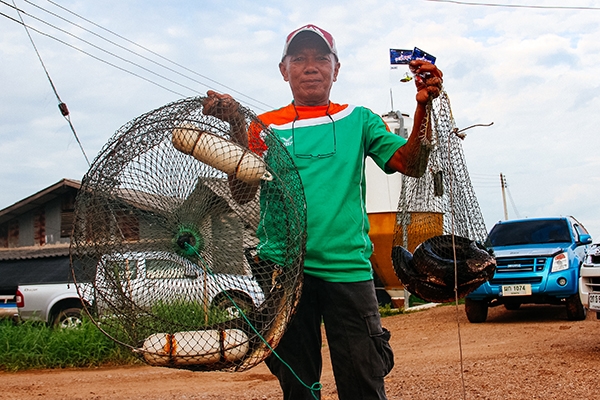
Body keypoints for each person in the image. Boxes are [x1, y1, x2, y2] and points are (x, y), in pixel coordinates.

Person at [203, 24, 443, 400]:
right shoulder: (262, 126)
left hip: (346, 268)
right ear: (284, 70)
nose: (310, 66)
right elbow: (242, 189)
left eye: (321, 58)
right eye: (299, 58)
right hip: (284, 271)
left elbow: (410, 163)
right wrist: (235, 125)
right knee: (298, 386)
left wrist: (423, 106)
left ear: (337, 68)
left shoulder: (359, 119)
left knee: (364, 380)